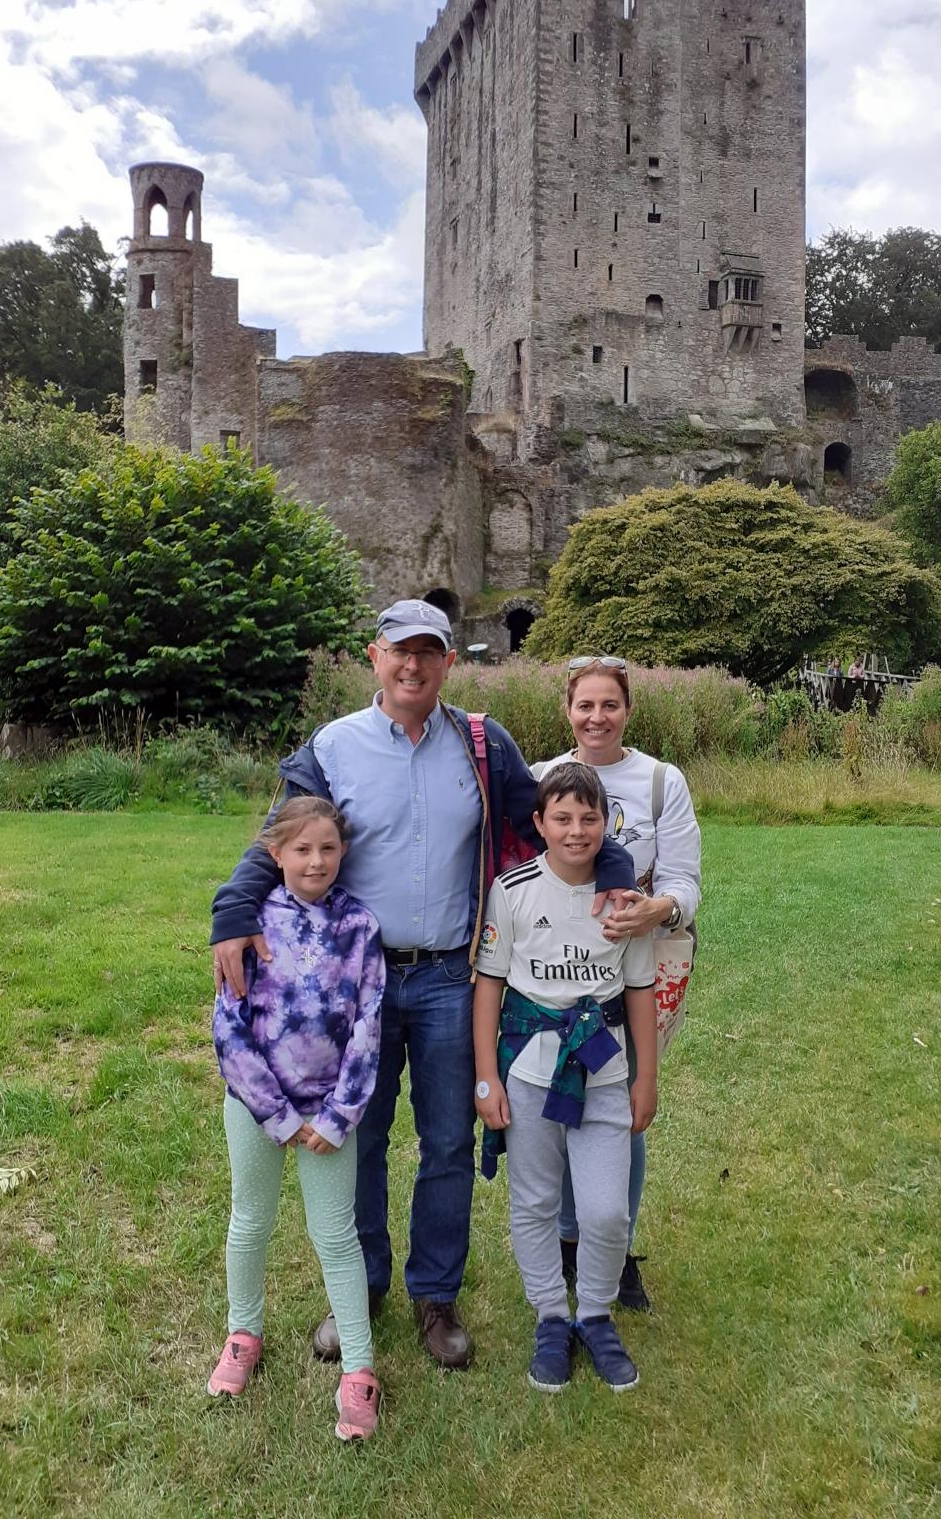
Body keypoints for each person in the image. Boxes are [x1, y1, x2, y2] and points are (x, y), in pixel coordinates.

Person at [210, 599, 636, 1370]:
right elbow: (278, 836)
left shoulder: (481, 744)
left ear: (447, 662)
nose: (413, 666)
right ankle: (363, 1287)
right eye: (399, 651)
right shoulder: (333, 747)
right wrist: (231, 912)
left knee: (447, 1140)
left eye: (428, 652)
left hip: (450, 976)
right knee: (361, 1136)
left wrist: (610, 869)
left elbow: (550, 819)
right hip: (357, 988)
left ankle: (435, 1296)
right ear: (374, 656)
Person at [473, 762, 657, 1393]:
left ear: (606, 824)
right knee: (534, 1200)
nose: (576, 831)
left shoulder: (624, 901)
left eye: (589, 818)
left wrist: (645, 1077)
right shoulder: (513, 889)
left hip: (601, 1067)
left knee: (606, 1211)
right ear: (539, 823)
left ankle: (597, 1314)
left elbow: (639, 988)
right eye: (562, 818)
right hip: (526, 1070)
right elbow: (490, 985)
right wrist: (485, 1079)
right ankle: (552, 1314)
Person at [209, 796, 384, 1441]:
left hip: (329, 1114)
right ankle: (242, 1333)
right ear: (275, 854)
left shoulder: (360, 927)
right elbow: (229, 1027)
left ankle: (360, 1370)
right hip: (258, 1108)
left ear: (343, 853)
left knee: (335, 1235)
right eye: (302, 849)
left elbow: (369, 1028)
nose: (316, 861)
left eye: (328, 849)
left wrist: (336, 1117)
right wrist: (279, 1117)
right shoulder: (249, 922)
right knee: (249, 1219)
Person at [539, 655, 701, 1313]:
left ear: (628, 709)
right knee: (564, 1098)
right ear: (568, 710)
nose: (597, 717)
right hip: (561, 971)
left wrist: (657, 907)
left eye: (610, 705)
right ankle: (569, 1238)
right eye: (585, 705)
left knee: (625, 1109)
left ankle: (619, 1249)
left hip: (638, 968)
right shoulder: (541, 777)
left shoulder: (660, 781)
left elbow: (685, 878)